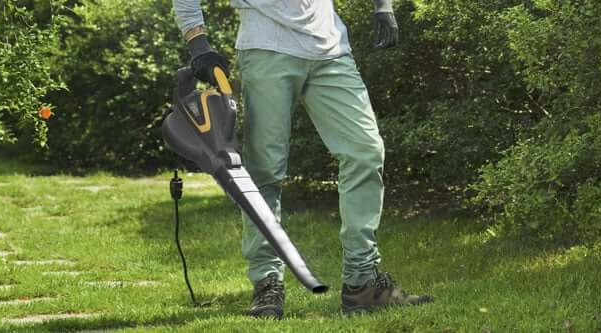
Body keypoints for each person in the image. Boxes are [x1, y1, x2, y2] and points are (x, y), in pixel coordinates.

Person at [172, 0, 433, 319]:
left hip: (331, 49)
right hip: (266, 47)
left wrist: (383, 6)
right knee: (264, 172)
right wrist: (198, 42)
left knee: (365, 152)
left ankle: (362, 282)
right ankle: (267, 283)